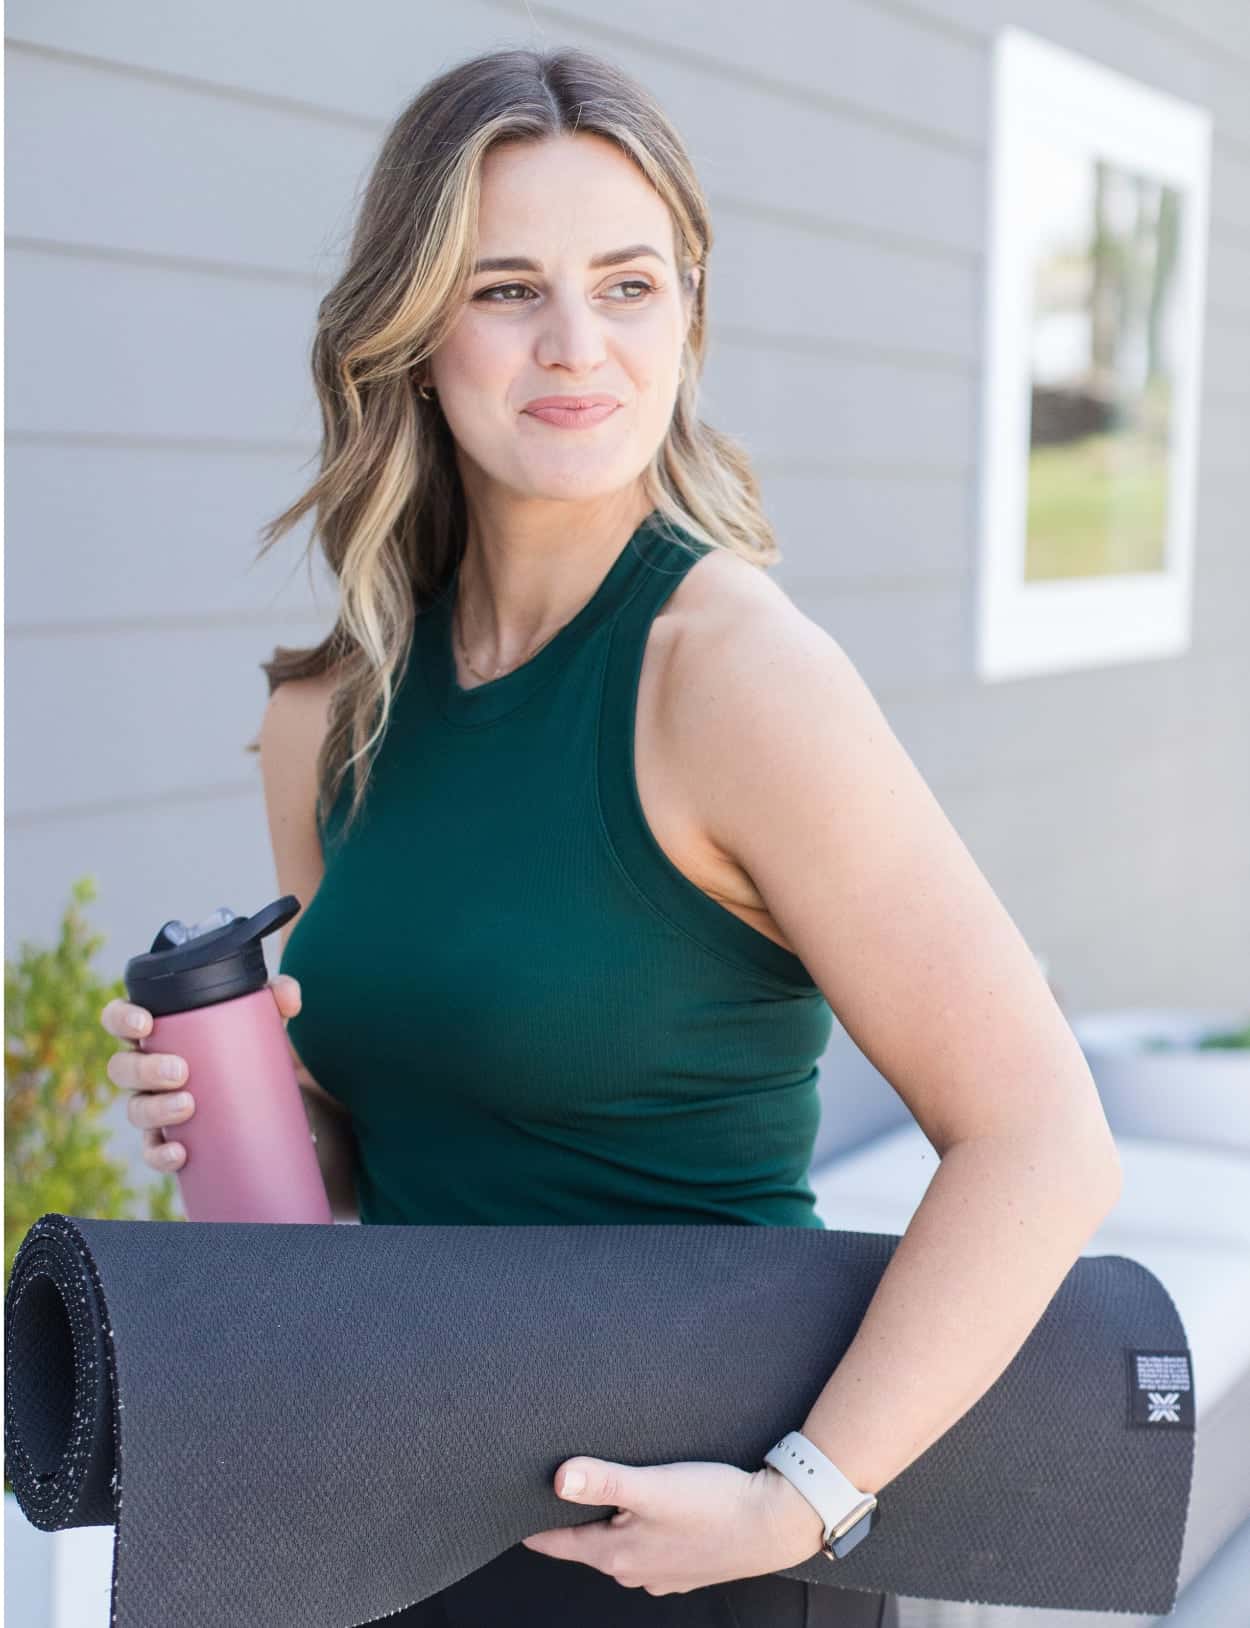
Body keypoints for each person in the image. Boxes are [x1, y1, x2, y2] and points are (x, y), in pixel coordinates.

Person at [101, 43, 1121, 1628]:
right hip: (391, 1507)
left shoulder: (733, 678)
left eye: (629, 284)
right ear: (413, 329)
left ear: (689, 315)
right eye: (506, 289)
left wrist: (805, 1499)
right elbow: (390, 1155)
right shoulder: (332, 713)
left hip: (683, 1537)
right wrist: (240, 1110)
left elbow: (1042, 1141)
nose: (576, 346)